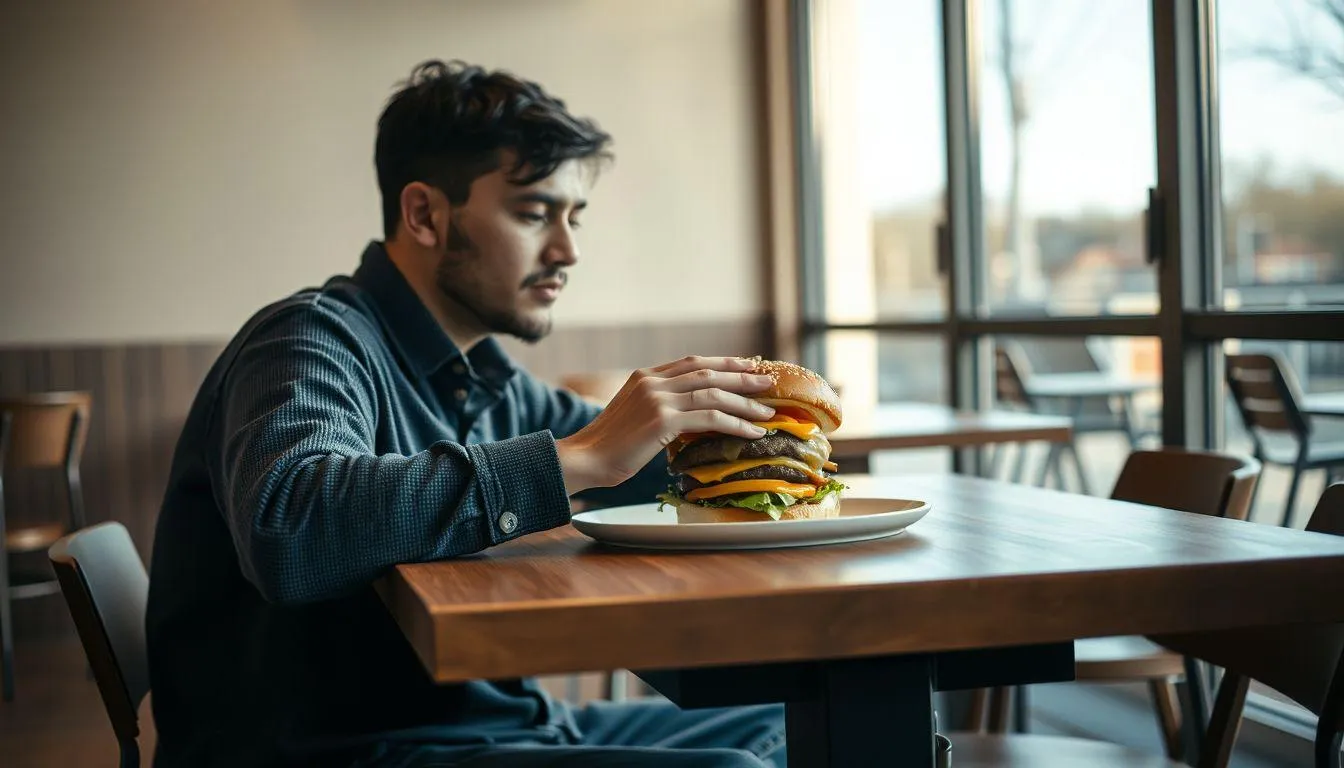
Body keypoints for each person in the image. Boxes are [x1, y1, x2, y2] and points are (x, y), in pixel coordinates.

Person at [145, 60, 788, 768]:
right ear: (424, 214)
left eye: (573, 217)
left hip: (502, 725)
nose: (568, 250)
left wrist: (761, 455)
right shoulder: (307, 339)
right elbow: (290, 528)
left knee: (797, 720)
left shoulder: (486, 380)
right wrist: (578, 457)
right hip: (349, 750)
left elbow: (643, 471)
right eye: (534, 212)